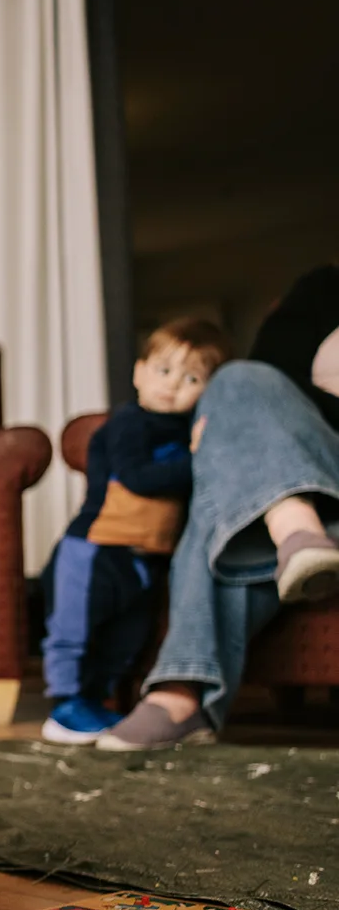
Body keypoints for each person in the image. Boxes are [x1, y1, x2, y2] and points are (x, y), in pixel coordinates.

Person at [100, 266, 339, 750]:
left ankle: (183, 692)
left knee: (225, 493)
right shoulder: (323, 290)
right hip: (313, 466)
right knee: (235, 381)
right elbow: (264, 384)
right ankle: (293, 522)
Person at [39, 318, 229, 744]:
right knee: (76, 628)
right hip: (95, 549)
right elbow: (138, 477)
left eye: (192, 377)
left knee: (127, 637)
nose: (173, 385)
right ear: (139, 372)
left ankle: (98, 702)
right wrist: (197, 460)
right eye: (163, 371)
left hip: (147, 557)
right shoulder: (129, 424)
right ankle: (66, 706)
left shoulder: (191, 432)